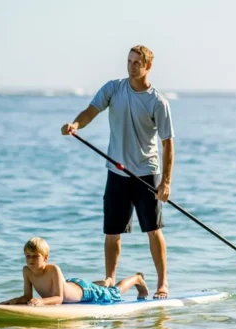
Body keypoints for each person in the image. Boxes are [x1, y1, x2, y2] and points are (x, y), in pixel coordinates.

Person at [61, 45, 174, 299]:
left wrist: (165, 182)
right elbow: (91, 111)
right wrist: (75, 124)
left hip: (146, 173)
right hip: (117, 172)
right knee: (112, 233)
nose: (131, 66)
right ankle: (110, 277)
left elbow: (168, 143)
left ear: (148, 67)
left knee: (153, 231)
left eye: (137, 63)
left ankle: (162, 283)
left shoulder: (158, 102)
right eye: (129, 61)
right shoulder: (113, 88)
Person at [1, 237, 148, 306]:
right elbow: (27, 295)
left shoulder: (53, 269)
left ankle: (136, 279)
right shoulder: (27, 271)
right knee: (103, 287)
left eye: (35, 256)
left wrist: (41, 301)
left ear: (45, 258)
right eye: (27, 256)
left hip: (85, 290)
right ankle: (105, 282)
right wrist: (14, 301)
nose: (30, 260)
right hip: (71, 284)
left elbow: (59, 298)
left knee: (114, 293)